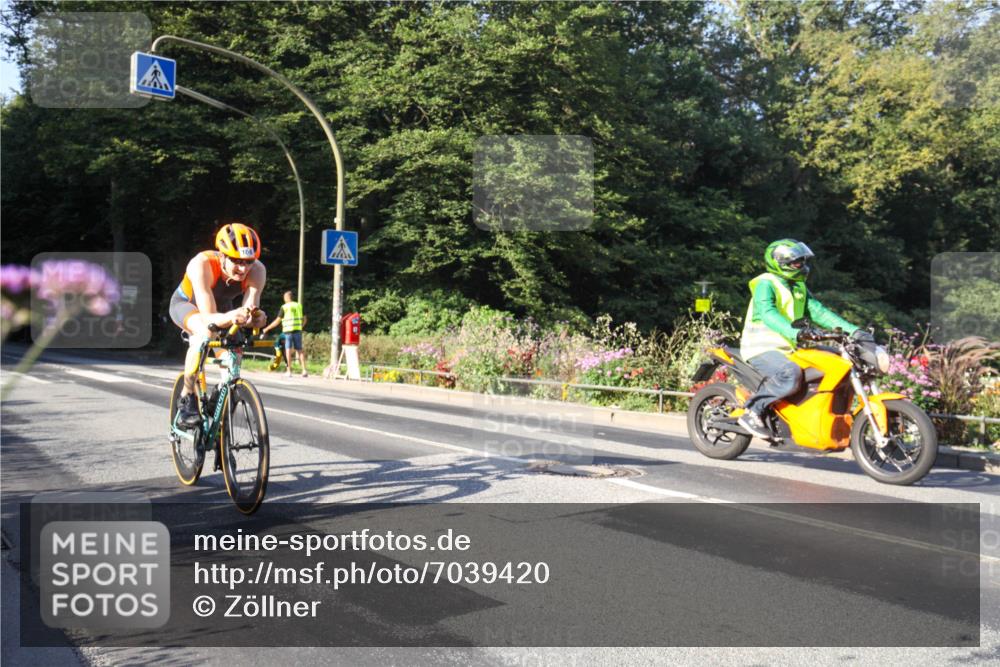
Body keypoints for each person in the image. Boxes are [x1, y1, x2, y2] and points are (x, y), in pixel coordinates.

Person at [737, 239, 870, 439]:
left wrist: (854, 331)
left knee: (838, 362)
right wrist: (796, 333)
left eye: (803, 262)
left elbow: (819, 312)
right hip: (760, 348)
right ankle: (753, 410)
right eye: (797, 262)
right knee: (790, 374)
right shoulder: (765, 283)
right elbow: (768, 313)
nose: (802, 266)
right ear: (780, 262)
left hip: (788, 348)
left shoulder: (798, 287)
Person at [169, 223, 267, 427]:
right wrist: (233, 316)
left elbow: (250, 308)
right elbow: (209, 317)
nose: (243, 268)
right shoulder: (202, 264)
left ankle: (220, 402)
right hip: (189, 305)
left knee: (234, 354)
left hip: (223, 308)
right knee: (205, 334)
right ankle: (186, 398)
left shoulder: (257, 270)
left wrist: (255, 318)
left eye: (248, 261)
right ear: (222, 256)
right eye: (237, 261)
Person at [262, 290, 308, 377]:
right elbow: (305, 318)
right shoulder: (299, 305)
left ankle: (289, 371)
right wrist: (301, 326)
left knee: (288, 350)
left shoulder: (285, 307)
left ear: (286, 298)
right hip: (298, 330)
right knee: (300, 350)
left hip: (288, 332)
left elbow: (277, 321)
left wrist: (267, 328)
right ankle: (304, 371)